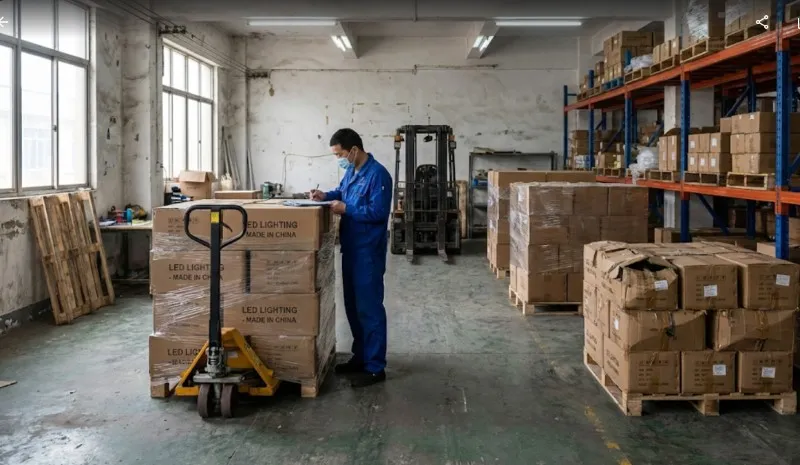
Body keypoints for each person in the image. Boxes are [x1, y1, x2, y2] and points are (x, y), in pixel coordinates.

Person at [310, 128, 392, 388]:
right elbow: (342, 192)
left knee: (369, 309)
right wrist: (326, 196)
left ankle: (375, 367)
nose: (339, 160)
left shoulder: (378, 175)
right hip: (351, 249)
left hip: (367, 251)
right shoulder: (352, 171)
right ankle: (361, 357)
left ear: (354, 150)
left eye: (340, 154)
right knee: (354, 308)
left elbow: (378, 212)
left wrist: (347, 209)